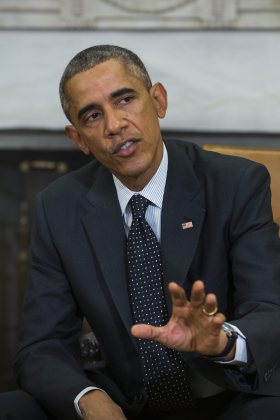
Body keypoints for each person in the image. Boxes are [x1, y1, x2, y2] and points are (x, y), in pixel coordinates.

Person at [1, 44, 280, 420]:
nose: (114, 125)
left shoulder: (235, 183)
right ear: (79, 139)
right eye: (93, 115)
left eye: (125, 100)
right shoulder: (58, 206)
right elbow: (42, 344)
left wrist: (223, 342)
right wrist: (88, 400)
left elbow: (269, 309)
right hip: (123, 402)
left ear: (158, 101)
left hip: (227, 397)